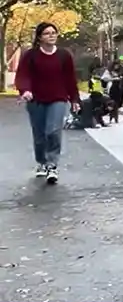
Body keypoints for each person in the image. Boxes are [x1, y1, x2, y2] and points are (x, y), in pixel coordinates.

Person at [14, 22, 80, 184]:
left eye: (53, 32)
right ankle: (42, 163)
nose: (51, 35)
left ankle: (52, 165)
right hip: (35, 99)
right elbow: (23, 75)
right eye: (47, 33)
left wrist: (74, 99)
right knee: (39, 136)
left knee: (53, 131)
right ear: (39, 37)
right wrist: (25, 90)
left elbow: (70, 79)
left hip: (58, 98)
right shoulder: (31, 55)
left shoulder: (64, 55)